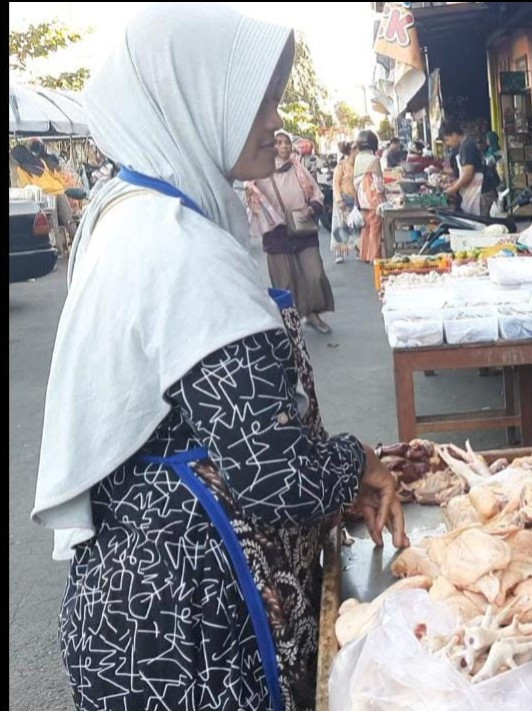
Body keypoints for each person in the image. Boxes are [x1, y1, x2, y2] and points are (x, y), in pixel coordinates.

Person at [30, 6, 407, 711]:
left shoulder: (132, 209)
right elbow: (269, 475)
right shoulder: (176, 248)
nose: (275, 119)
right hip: (187, 627)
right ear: (191, 97)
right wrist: (357, 459)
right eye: (257, 99)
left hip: (141, 597)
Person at [244, 131, 336, 335]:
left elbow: (316, 195)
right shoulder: (258, 173)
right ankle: (290, 324)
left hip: (303, 228)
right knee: (285, 282)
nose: (284, 147)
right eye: (278, 143)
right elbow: (252, 206)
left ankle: (312, 315)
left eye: (286, 143)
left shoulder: (298, 168)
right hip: (276, 234)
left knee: (315, 274)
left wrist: (310, 209)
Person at [12, 143, 77, 253]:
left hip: (46, 196)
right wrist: (61, 187)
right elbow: (56, 176)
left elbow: (26, 187)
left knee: (53, 226)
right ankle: (79, 246)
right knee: (70, 222)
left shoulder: (21, 169)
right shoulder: (41, 162)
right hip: (60, 191)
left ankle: (58, 252)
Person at [440, 120, 490, 215]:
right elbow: (466, 173)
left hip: (482, 192)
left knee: (483, 225)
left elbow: (467, 175)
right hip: (477, 191)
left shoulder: (467, 146)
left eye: (447, 139)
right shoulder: (465, 144)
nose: (447, 143)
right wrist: (454, 184)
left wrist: (453, 189)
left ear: (454, 134)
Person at [353, 130, 386, 262]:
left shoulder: (358, 159)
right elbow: (377, 181)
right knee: (375, 228)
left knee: (366, 228)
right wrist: (383, 192)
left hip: (362, 198)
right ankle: (374, 257)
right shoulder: (374, 160)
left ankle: (365, 255)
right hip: (373, 199)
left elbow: (355, 181)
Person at [330, 140, 360, 263]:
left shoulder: (358, 166)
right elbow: (335, 184)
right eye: (358, 150)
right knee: (340, 226)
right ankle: (339, 253)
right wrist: (339, 200)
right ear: (353, 151)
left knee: (356, 225)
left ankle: (359, 250)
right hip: (343, 198)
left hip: (355, 199)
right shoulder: (341, 165)